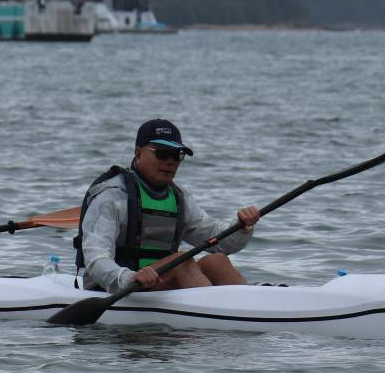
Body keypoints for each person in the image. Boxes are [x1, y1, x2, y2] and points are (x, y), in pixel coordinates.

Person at [75, 118, 260, 294]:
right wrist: (127, 277)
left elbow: (218, 242)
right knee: (182, 261)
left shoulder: (180, 199)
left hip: (157, 284)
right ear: (138, 154)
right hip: (113, 287)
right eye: (162, 153)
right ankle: (216, 317)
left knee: (217, 261)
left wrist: (242, 228)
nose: (170, 161)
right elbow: (96, 258)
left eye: (177, 155)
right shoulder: (111, 196)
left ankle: (252, 307)